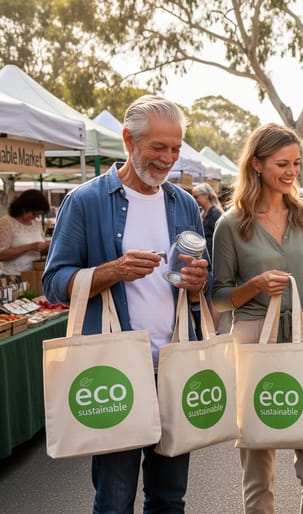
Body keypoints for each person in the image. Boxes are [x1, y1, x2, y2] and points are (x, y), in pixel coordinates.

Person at [42, 95, 211, 513]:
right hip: (116, 371)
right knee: (115, 499)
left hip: (173, 366)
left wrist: (198, 282)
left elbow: (201, 285)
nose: (168, 158)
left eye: (175, 148)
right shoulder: (86, 201)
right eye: (159, 147)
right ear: (127, 140)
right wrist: (113, 270)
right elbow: (54, 283)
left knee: (170, 499)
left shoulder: (184, 203)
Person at [211, 123, 303, 514]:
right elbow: (218, 299)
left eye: (297, 163)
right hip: (251, 340)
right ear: (257, 164)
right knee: (258, 473)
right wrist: (256, 285)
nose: (291, 172)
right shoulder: (230, 225)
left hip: (301, 335)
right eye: (282, 163)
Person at [0, 189, 50, 276]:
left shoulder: (36, 224)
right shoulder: (7, 222)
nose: (36, 217)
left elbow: (38, 250)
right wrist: (30, 247)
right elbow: (1, 255)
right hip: (13, 277)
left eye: (39, 214)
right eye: (34, 213)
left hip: (35, 275)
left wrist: (45, 247)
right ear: (24, 208)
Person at [192, 182, 224, 260]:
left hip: (212, 259)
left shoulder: (215, 214)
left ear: (206, 195)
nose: (195, 200)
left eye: (196, 197)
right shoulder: (201, 212)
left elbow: (221, 240)